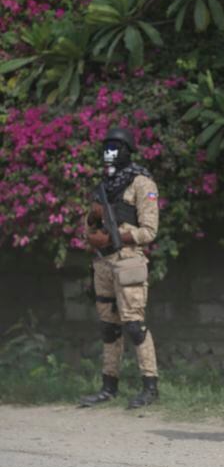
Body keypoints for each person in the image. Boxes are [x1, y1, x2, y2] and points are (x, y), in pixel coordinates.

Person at [79, 127, 161, 410]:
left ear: (127, 150)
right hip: (102, 263)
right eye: (108, 146)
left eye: (116, 146)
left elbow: (149, 231)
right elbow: (88, 229)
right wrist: (92, 221)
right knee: (108, 328)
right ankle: (108, 386)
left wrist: (115, 236)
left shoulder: (141, 183)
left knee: (135, 326)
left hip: (128, 261)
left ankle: (150, 386)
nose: (111, 151)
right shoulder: (103, 185)